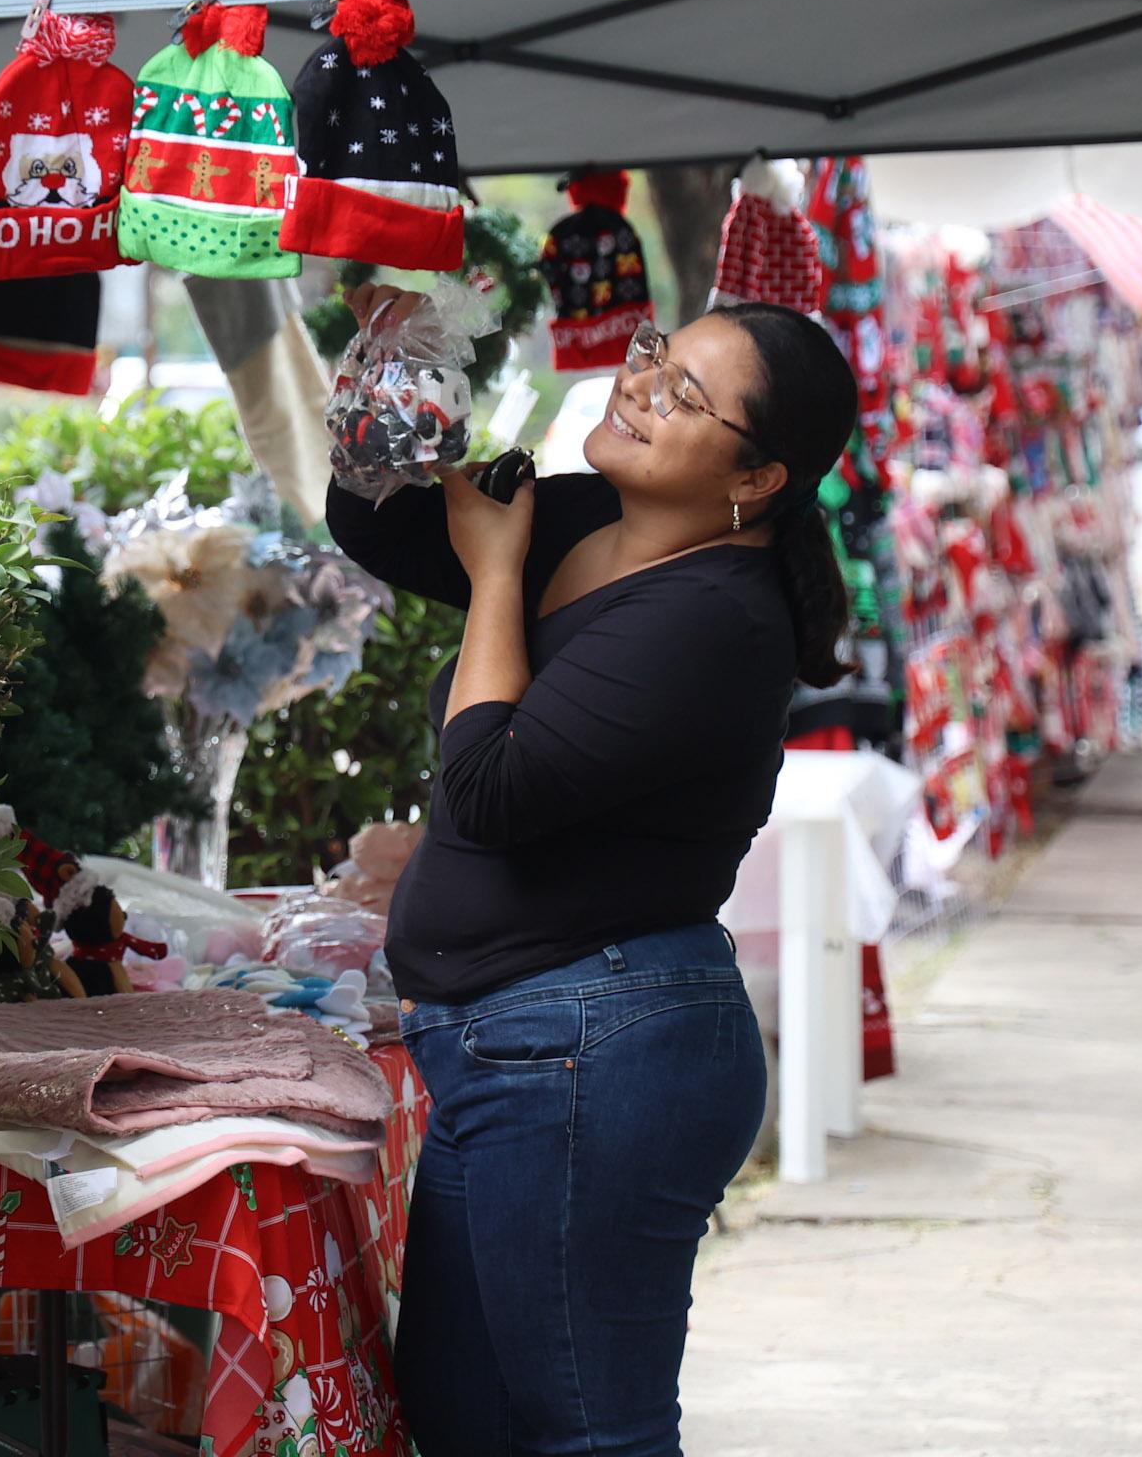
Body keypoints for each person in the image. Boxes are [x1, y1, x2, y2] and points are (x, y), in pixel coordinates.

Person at [324, 296, 857, 1457]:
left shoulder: (714, 616)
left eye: (682, 394)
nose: (640, 385)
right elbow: (381, 522)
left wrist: (501, 571)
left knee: (584, 1433)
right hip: (517, 1048)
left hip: (596, 1049)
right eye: (656, 356)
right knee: (469, 1416)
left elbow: (492, 791)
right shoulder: (588, 519)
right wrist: (394, 352)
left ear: (757, 477)